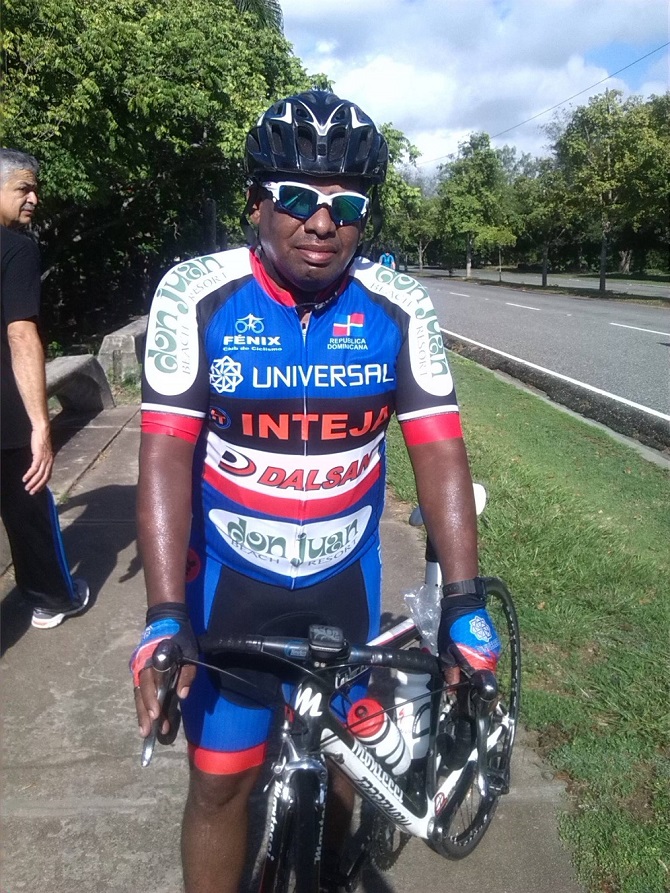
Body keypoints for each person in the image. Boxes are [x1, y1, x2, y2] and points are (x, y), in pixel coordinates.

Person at [131, 91, 500, 893]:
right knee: (221, 783)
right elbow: (163, 456)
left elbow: (440, 450)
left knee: (345, 768)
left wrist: (464, 599)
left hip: (343, 579)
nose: (322, 222)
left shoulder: (399, 305)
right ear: (257, 204)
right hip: (231, 586)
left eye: (347, 204)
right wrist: (163, 614)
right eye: (297, 199)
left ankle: (332, 867)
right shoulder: (196, 293)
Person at [0, 148, 89, 629]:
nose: (34, 198)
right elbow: (20, 334)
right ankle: (53, 597)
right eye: (23, 188)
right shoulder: (15, 248)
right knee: (28, 506)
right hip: (6, 413)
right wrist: (40, 424)